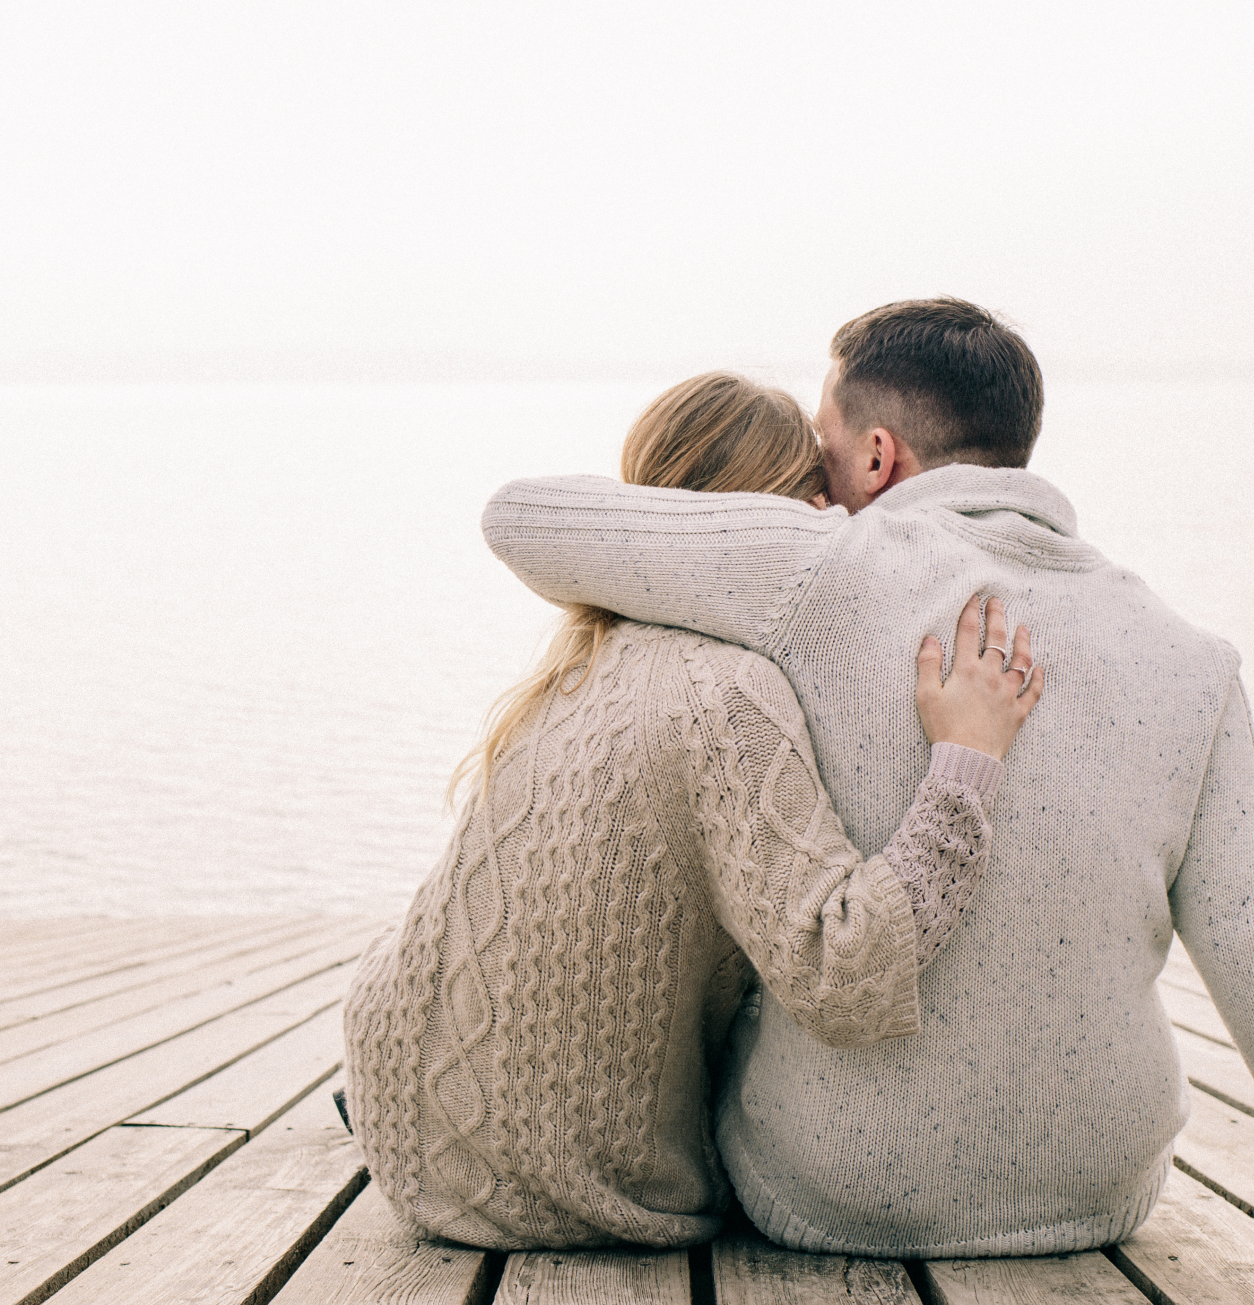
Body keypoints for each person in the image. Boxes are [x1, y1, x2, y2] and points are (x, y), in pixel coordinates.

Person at [480, 299, 1254, 1282]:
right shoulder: (1194, 661)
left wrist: (765, 525)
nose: (815, 492)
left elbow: (521, 518)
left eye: (823, 456)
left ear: (876, 456)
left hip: (830, 1196)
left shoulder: (819, 572)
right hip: (1096, 1195)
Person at [342, 371, 1042, 1249]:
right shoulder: (730, 694)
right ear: (770, 520)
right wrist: (965, 764)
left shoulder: (578, 661)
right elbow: (843, 975)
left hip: (399, 1110)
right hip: (554, 1184)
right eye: (815, 500)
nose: (834, 522)